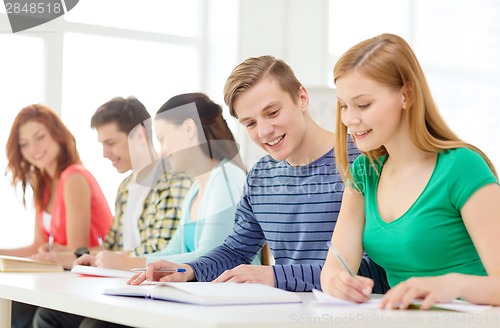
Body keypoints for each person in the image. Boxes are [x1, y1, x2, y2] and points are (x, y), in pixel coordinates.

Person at [129, 56, 389, 294]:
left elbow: (375, 269)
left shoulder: (365, 162)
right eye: (250, 123)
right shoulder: (261, 175)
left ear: (302, 98)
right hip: (284, 312)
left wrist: (276, 276)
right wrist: (190, 270)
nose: (264, 131)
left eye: (272, 112)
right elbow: (236, 250)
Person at [320, 33, 500, 309]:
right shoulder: (364, 173)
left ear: (406, 95)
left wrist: (451, 285)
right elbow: (336, 266)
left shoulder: (462, 166)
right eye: (344, 105)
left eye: (363, 104)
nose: (349, 119)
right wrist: (336, 282)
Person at [32, 96, 193, 328]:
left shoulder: (174, 180)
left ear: (139, 135)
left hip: (154, 292)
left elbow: (162, 252)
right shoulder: (126, 187)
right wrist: (79, 255)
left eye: (110, 143)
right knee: (49, 316)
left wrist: (110, 259)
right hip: (123, 284)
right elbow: (112, 247)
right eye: (102, 144)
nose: (105, 153)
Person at [3, 104, 113, 328]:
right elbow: (39, 246)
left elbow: (76, 249)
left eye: (40, 137)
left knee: (27, 313)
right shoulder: (41, 184)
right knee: (13, 308)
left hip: (90, 281)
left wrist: (48, 254)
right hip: (63, 281)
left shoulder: (73, 177)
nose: (34, 149)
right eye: (24, 144)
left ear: (57, 135)